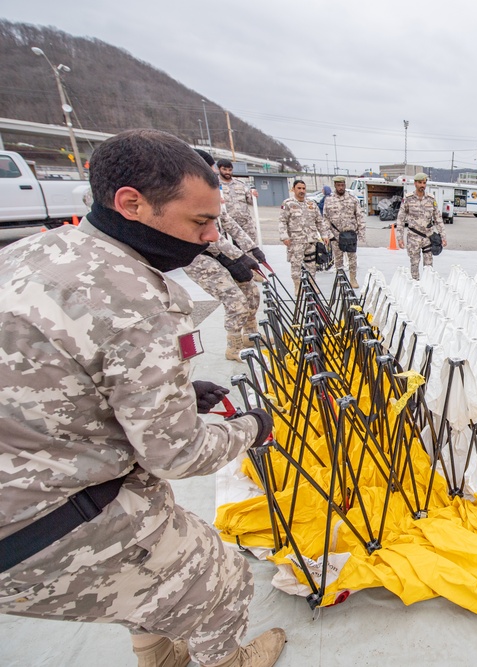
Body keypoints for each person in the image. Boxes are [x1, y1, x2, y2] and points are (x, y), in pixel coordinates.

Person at [0, 129, 285, 667]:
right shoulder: (131, 295)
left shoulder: (39, 249)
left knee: (151, 573)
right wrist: (252, 427)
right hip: (44, 526)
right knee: (221, 579)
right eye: (200, 221)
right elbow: (176, 455)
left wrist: (174, 391)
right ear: (131, 203)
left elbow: (68, 374)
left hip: (24, 492)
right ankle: (227, 661)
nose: (210, 238)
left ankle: (159, 655)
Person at [187, 150, 267, 361]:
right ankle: (234, 347)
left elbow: (229, 224)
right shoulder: (187, 197)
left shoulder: (208, 193)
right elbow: (211, 236)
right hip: (199, 257)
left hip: (221, 253)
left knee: (251, 291)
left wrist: (252, 249)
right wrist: (240, 257)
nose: (214, 175)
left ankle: (251, 335)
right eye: (211, 170)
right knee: (235, 301)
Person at [279, 179, 327, 293]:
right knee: (296, 265)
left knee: (311, 265)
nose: (302, 191)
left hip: (311, 240)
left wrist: (324, 234)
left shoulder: (311, 204)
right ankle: (297, 286)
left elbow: (319, 221)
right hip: (296, 241)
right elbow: (282, 221)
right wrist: (284, 236)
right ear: (293, 189)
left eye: (303, 188)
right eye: (299, 188)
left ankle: (312, 284)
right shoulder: (288, 203)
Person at [397, 172, 446, 280]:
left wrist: (443, 236)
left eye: (424, 183)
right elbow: (400, 219)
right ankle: (415, 288)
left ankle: (427, 287)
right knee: (414, 265)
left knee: (429, 266)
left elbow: (438, 218)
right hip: (413, 237)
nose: (422, 185)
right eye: (420, 183)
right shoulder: (408, 199)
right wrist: (399, 238)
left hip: (428, 238)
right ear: (415, 183)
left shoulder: (431, 199)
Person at [323, 175, 367, 288]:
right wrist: (329, 234)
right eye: (338, 185)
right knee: (338, 259)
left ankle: (353, 279)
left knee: (352, 258)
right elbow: (325, 218)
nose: (341, 188)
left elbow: (360, 216)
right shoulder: (329, 200)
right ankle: (340, 278)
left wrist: (361, 232)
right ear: (335, 186)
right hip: (336, 235)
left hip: (350, 234)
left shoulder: (352, 200)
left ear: (345, 185)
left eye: (342, 185)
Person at [216, 158, 259, 245]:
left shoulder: (240, 184)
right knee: (232, 251)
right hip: (227, 225)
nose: (227, 172)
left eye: (230, 170)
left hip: (245, 224)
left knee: (250, 248)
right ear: (219, 169)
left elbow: (250, 201)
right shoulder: (214, 184)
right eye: (224, 169)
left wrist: (253, 196)